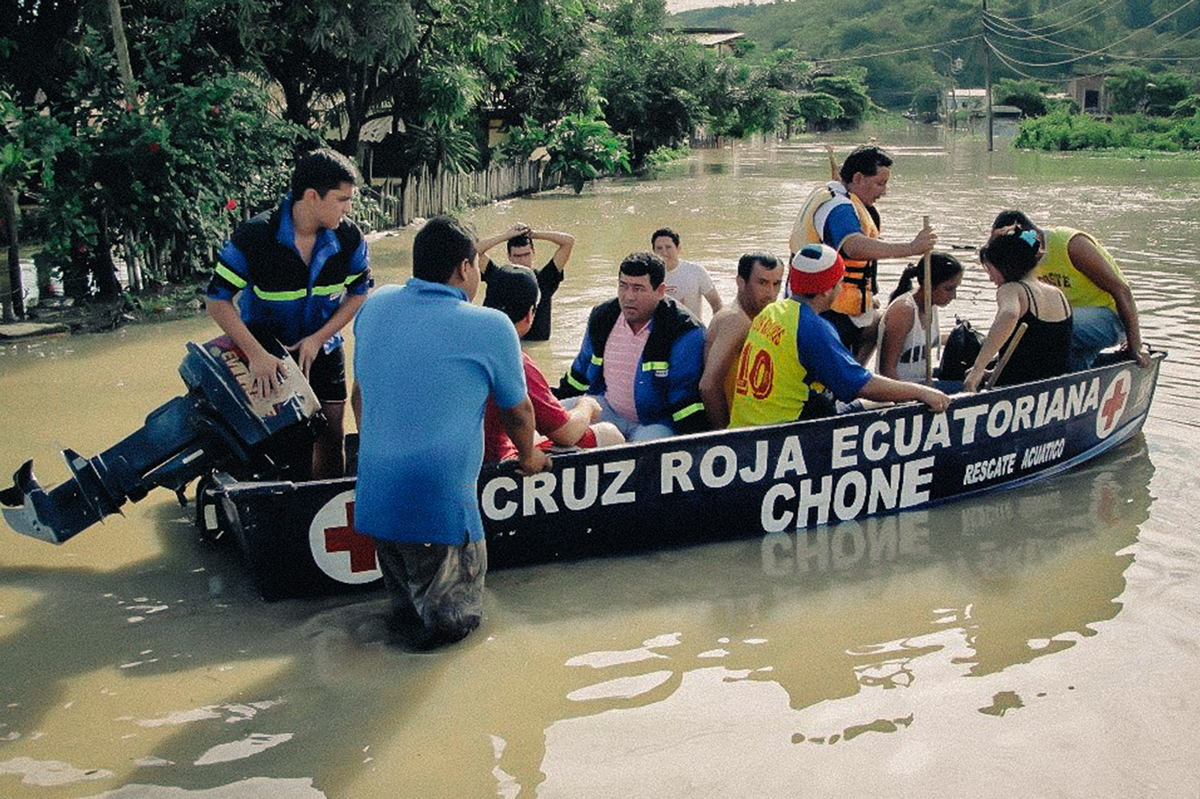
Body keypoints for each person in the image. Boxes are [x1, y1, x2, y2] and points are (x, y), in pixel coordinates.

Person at [351, 216, 550, 650]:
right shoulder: (490, 326)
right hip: (438, 506)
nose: (479, 275)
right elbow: (517, 411)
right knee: (452, 635)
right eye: (477, 265)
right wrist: (529, 456)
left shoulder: (375, 306)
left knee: (405, 623)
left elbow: (359, 397)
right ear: (463, 269)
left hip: (375, 495)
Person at [206, 148, 369, 479]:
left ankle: (325, 505)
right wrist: (257, 355)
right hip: (265, 352)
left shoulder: (349, 237)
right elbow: (217, 300)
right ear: (312, 196)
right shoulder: (256, 237)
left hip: (322, 347)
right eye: (341, 199)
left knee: (332, 432)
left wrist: (318, 338)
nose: (348, 208)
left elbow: (358, 293)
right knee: (279, 442)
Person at [729, 244, 950, 427]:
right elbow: (861, 386)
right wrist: (922, 392)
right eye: (839, 281)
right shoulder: (812, 327)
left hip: (745, 423)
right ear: (827, 289)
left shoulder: (772, 311)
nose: (842, 286)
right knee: (886, 405)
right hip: (782, 428)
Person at [789, 144, 937, 365]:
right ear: (857, 179)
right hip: (824, 305)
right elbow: (853, 246)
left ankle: (855, 376)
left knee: (873, 326)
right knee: (833, 359)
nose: (884, 191)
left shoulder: (831, 194)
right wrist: (911, 248)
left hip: (815, 298)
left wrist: (867, 296)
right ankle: (853, 384)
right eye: (880, 183)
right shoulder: (839, 206)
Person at [555, 251, 708, 441]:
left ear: (660, 291)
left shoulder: (684, 330)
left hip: (655, 423)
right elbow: (580, 372)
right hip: (607, 408)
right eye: (623, 286)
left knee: (642, 455)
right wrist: (553, 401)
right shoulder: (602, 316)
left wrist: (698, 444)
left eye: (638, 289)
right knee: (553, 419)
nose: (628, 297)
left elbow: (684, 397)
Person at [481, 264, 624, 460]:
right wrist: (587, 405)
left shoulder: (460, 344)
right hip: (496, 464)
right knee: (609, 433)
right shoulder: (516, 362)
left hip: (457, 458)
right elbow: (567, 434)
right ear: (530, 315)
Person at [989, 210, 1149, 371]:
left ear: (1032, 237)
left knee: (1040, 330)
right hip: (1069, 319)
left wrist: (1136, 345)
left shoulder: (1070, 244)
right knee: (1066, 362)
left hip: (1109, 317)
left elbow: (1122, 290)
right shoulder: (1021, 258)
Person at [963, 227, 1073, 391]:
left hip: (1016, 389)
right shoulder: (1058, 294)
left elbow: (1009, 314)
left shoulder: (1011, 289)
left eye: (991, 270)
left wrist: (978, 369)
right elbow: (1040, 349)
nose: (991, 278)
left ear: (1006, 266)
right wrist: (991, 372)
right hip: (1052, 388)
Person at [699, 252, 785, 428]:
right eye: (762, 283)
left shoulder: (758, 317)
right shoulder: (736, 319)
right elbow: (708, 385)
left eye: (776, 284)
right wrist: (726, 435)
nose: (771, 293)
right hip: (736, 427)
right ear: (741, 282)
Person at [477, 222, 574, 341]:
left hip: (536, 346)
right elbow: (474, 252)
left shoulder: (545, 279)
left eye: (526, 254)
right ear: (509, 256)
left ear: (533, 253)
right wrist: (506, 236)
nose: (522, 260)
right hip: (506, 344)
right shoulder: (499, 278)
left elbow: (568, 242)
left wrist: (534, 234)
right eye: (517, 256)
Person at [877, 253, 964, 383]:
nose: (954, 296)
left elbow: (924, 341)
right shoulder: (904, 310)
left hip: (922, 384)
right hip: (901, 392)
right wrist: (916, 397)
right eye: (949, 289)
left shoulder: (931, 304)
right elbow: (886, 370)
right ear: (928, 284)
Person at [651, 228, 723, 319]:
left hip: (691, 329)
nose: (664, 252)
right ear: (653, 251)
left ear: (678, 248)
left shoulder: (696, 271)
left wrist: (715, 330)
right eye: (659, 248)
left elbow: (716, 304)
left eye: (668, 247)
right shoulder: (647, 275)